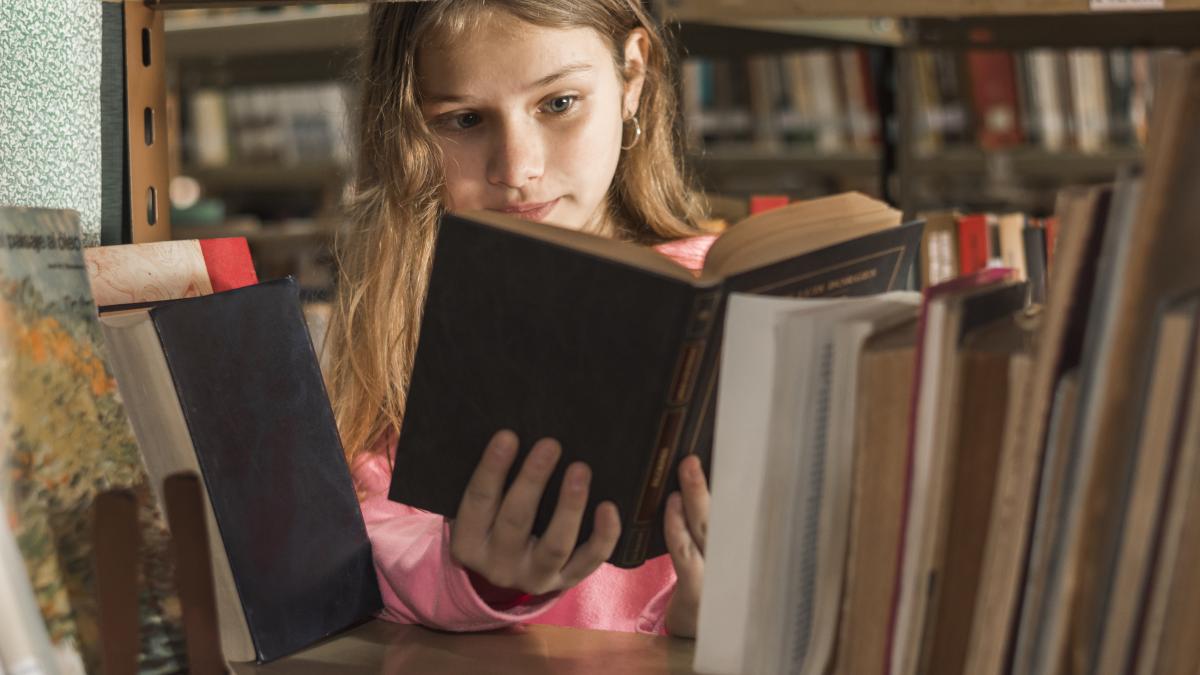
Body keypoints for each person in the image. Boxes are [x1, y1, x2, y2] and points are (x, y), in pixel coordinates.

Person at [324, 0, 717, 638]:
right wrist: (479, 579)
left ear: (633, 76)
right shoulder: (398, 325)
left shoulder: (715, 291)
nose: (517, 168)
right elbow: (362, 555)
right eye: (464, 119)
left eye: (559, 103)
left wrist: (714, 623)